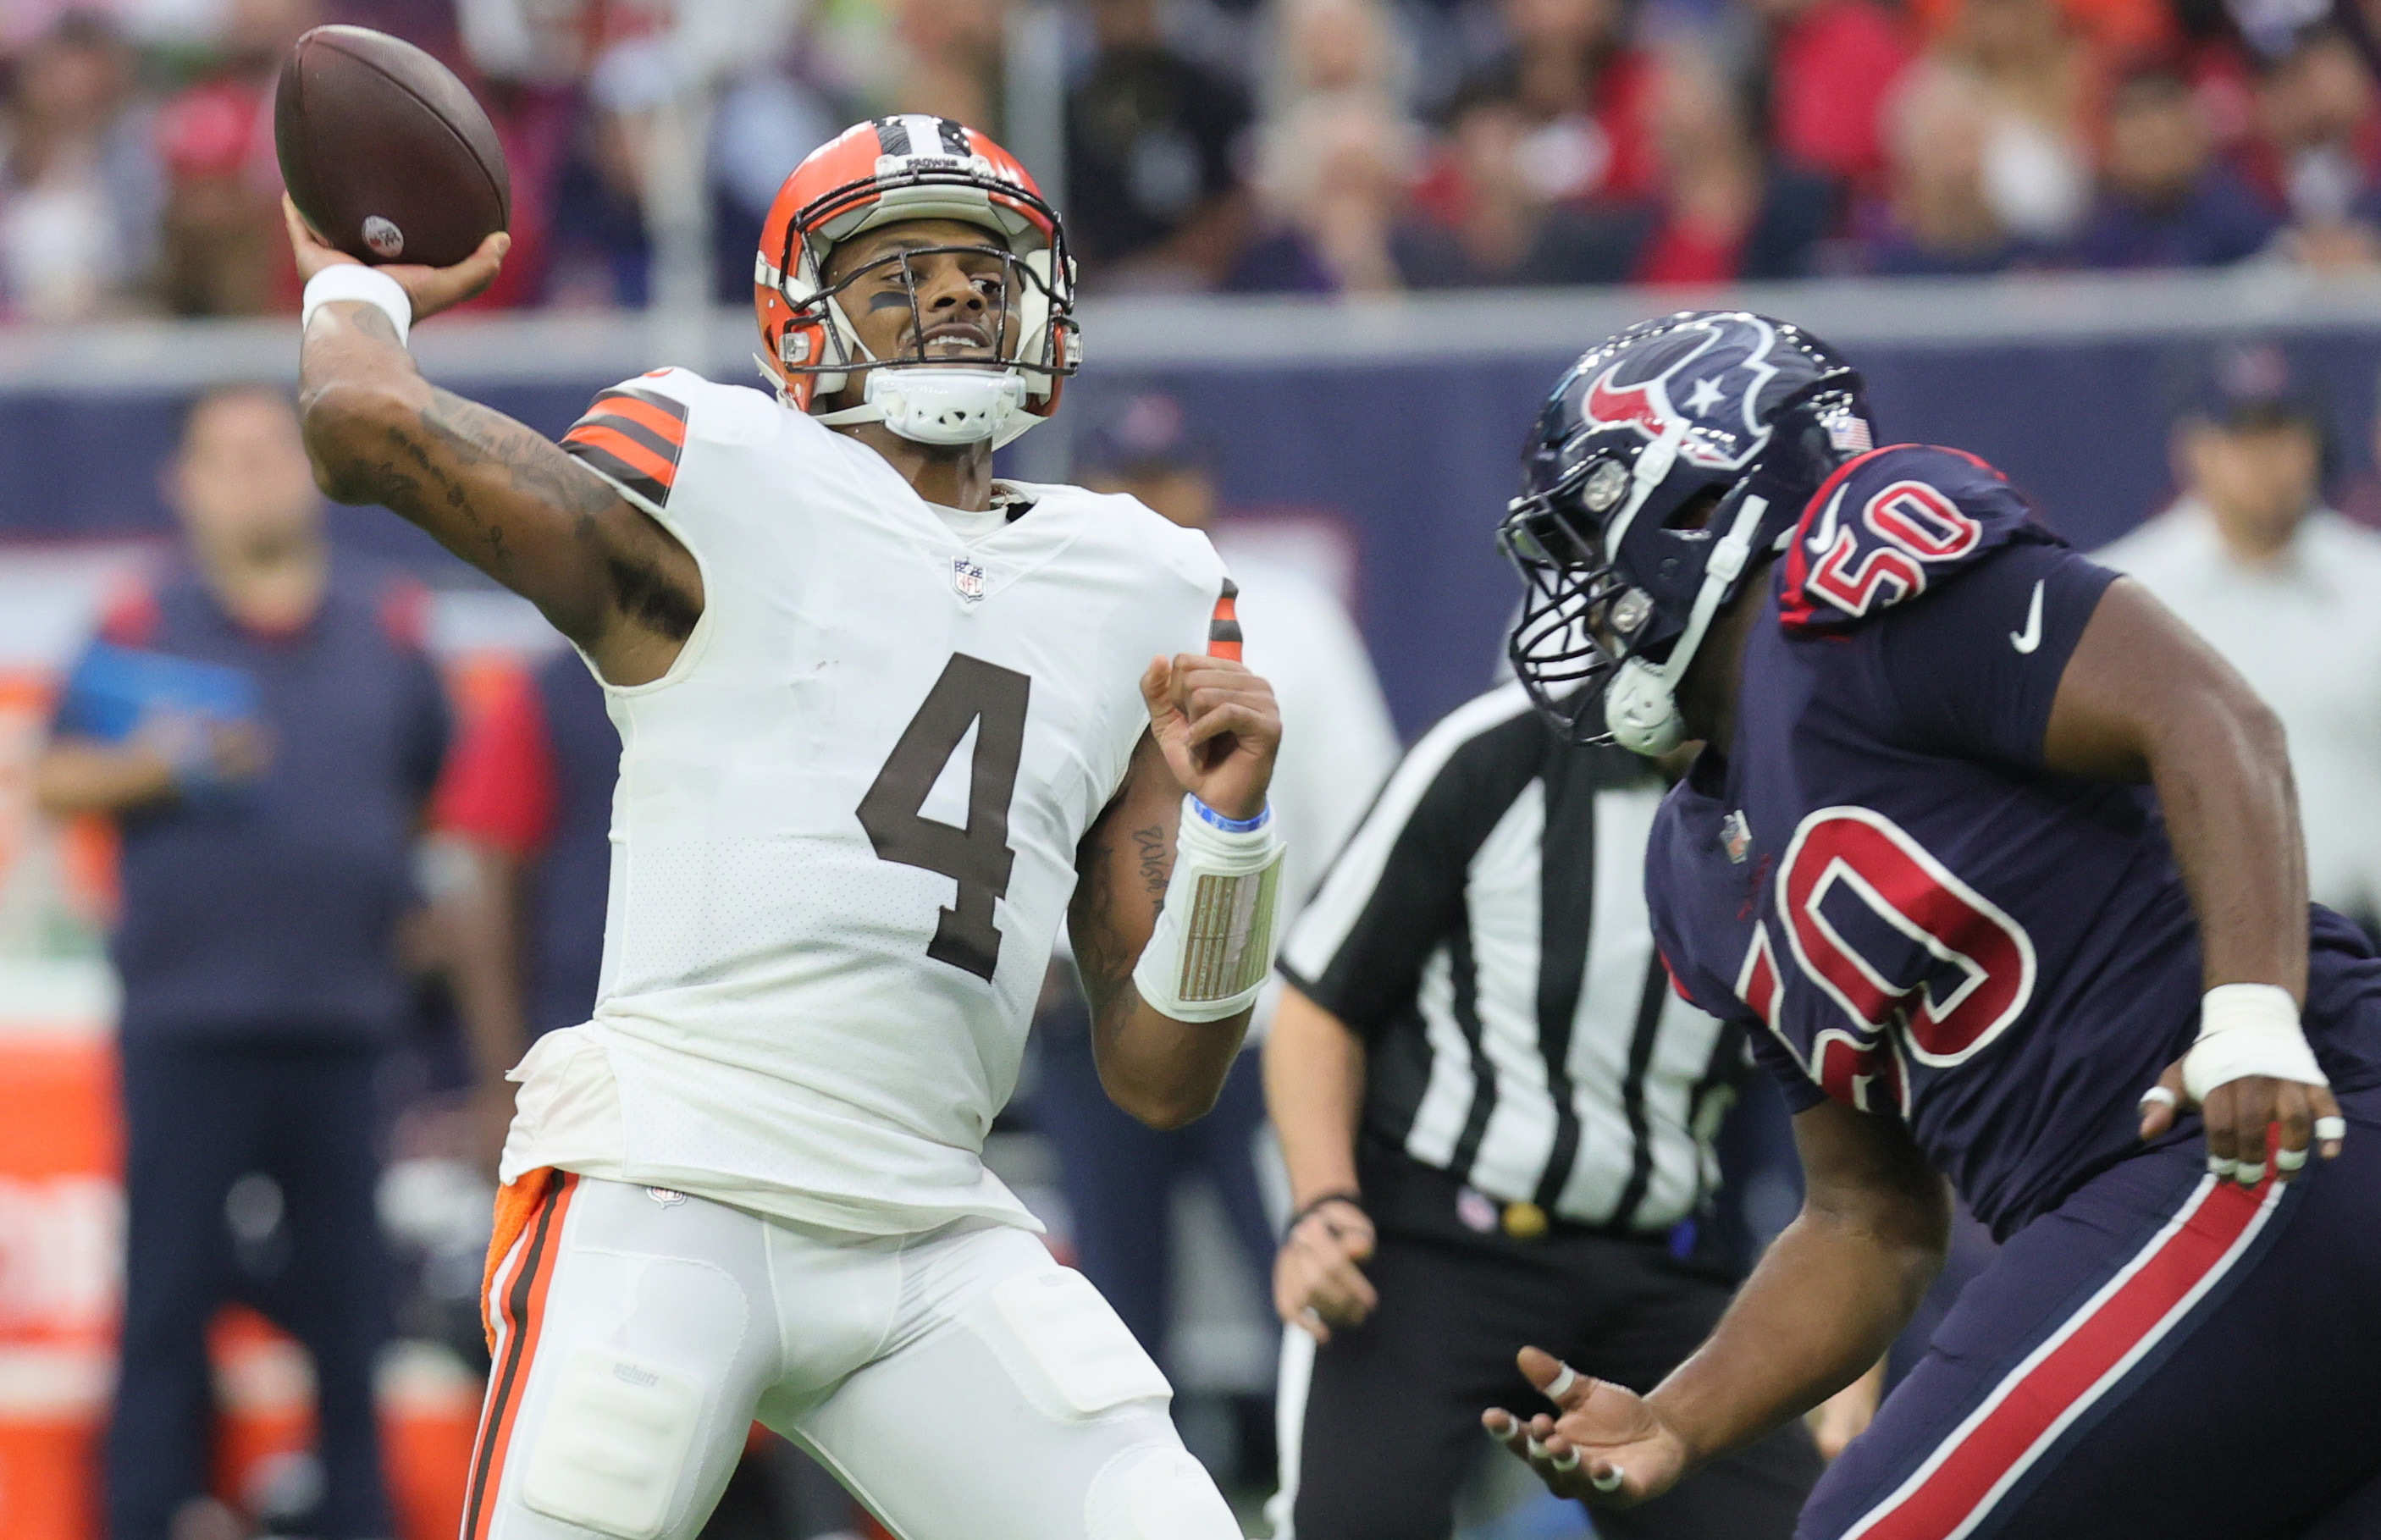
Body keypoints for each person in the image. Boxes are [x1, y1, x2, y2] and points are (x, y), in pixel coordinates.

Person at [285, 115, 1279, 1540]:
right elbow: (364, 425)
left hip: (933, 1223)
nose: (953, 294)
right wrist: (358, 285)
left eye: (984, 269)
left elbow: (1162, 1079)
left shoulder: (1141, 580)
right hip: (676, 1179)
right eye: (900, 269)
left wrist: (1234, 841)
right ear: (801, 315)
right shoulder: (723, 465)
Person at [1484, 309, 2381, 1537]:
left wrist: (2252, 1016)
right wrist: (1680, 1415)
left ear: (1698, 505)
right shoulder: (1698, 862)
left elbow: (2208, 713)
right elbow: (1869, 1219)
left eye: (1593, 539)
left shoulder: (1861, 579)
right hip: (2131, 1215)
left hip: (2254, 1132)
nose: (1579, 601)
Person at [1262, 673, 1840, 1539]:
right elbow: (1318, 1002)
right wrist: (1323, 1205)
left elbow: (1863, 1101)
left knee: (1812, 1525)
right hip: (1430, 1244)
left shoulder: (1807, 801)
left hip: (1664, 1261)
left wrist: (1844, 1367)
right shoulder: (1495, 752)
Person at [35, 384, 451, 1540]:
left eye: (275, 449)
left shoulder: (389, 625)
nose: (258, 474)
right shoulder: (137, 625)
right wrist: (156, 765)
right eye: (230, 455)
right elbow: (53, 774)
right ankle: (150, 1508)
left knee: (352, 1303)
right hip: (187, 1017)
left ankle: (356, 1513)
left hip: (345, 1018)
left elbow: (422, 791)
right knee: (167, 1290)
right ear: (184, 482)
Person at [1031, 391, 1397, 1408]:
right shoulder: (1047, 615)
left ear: (1208, 481)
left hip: (1267, 1025)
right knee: (1112, 1316)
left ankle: (1316, 1500)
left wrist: (1333, 1001)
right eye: (1129, 475)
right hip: (1092, 1018)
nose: (1151, 496)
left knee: (1312, 1296)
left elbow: (1364, 820)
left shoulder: (1290, 616)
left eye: (1169, 473)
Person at [2096, 352, 2381, 930]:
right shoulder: (2127, 595)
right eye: (2242, 437)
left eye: (2282, 435)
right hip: (2192, 941)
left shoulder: (2369, 580)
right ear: (2194, 450)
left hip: (2360, 931)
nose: (2266, 461)